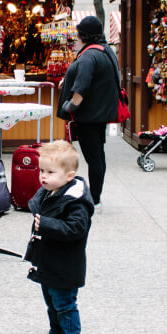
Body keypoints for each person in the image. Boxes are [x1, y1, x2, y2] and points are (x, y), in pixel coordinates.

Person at [24, 140, 94, 334]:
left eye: (50, 172)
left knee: (64, 303)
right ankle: (57, 333)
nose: (43, 176)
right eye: (42, 171)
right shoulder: (51, 192)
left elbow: (76, 228)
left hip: (65, 264)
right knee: (51, 300)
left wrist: (45, 224)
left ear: (69, 176)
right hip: (48, 260)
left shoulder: (75, 202)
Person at [58, 15, 119, 210]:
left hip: (88, 116)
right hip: (99, 114)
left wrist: (71, 105)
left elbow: (82, 87)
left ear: (83, 35)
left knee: (93, 158)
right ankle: (96, 197)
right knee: (97, 156)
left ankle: (94, 199)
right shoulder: (105, 50)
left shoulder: (88, 56)